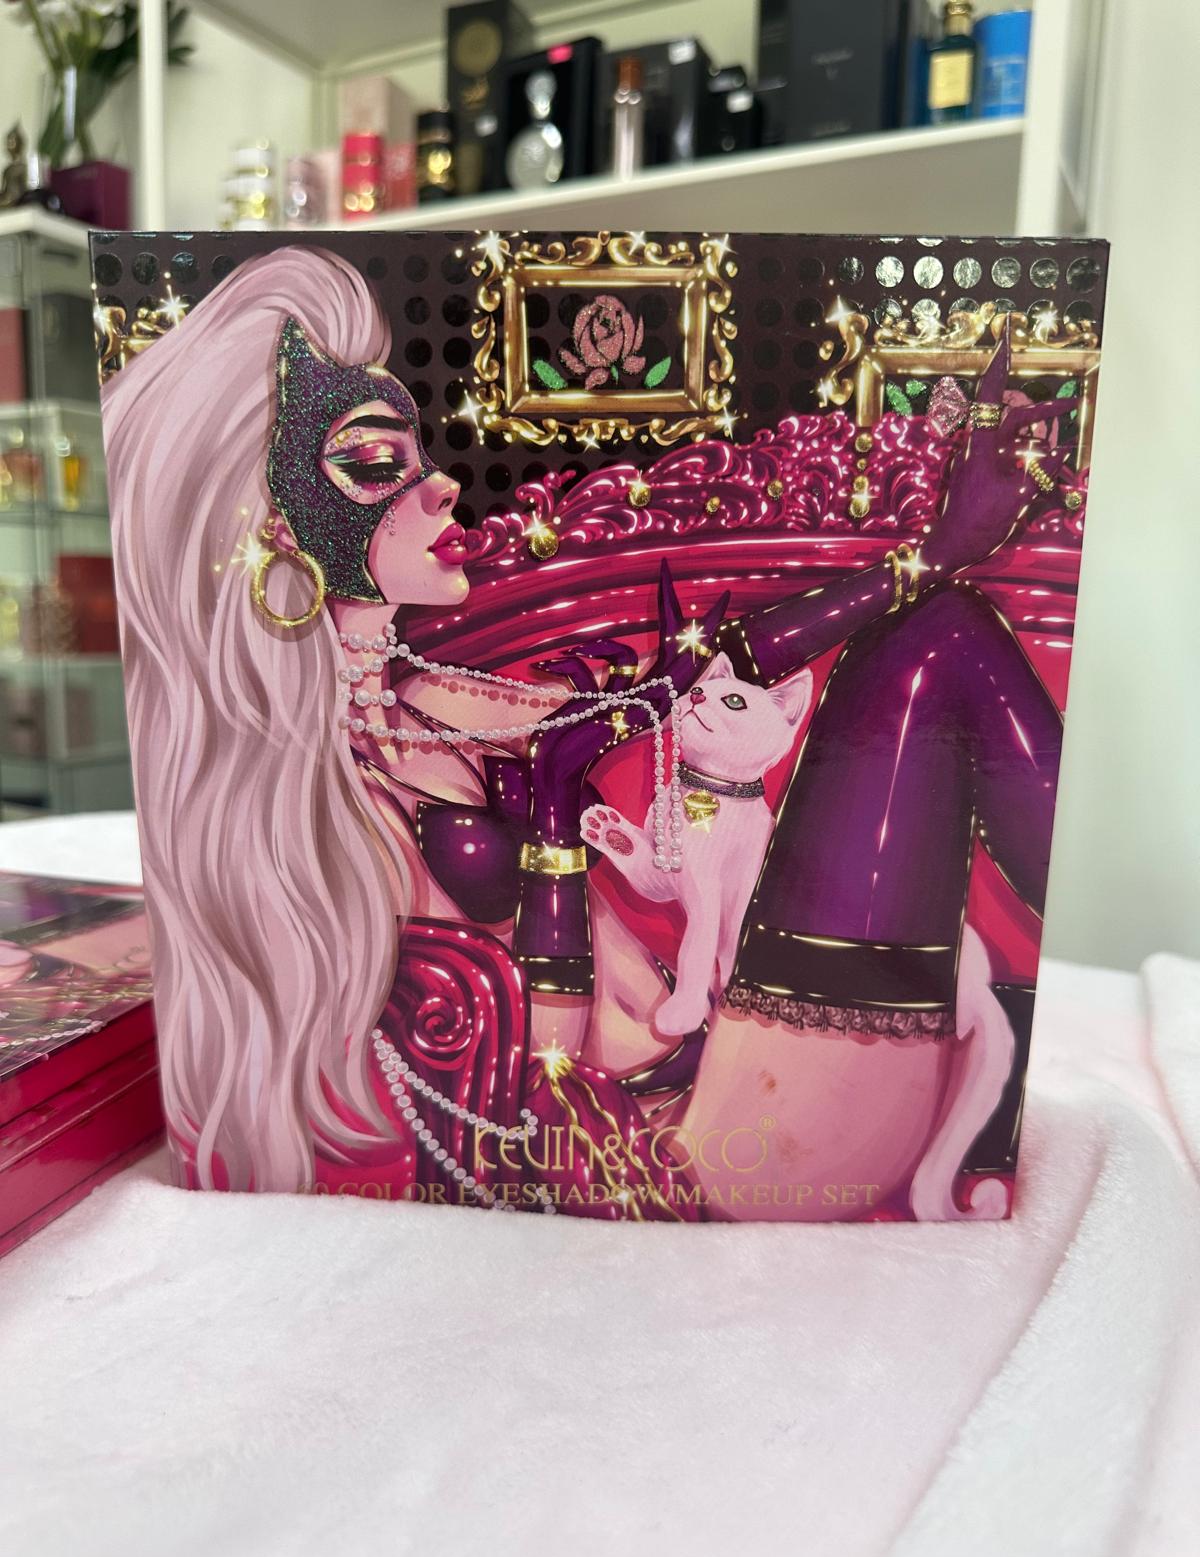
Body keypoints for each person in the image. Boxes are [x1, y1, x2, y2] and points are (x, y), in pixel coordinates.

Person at [103, 244, 1076, 1220]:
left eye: (421, 456)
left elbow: (693, 673)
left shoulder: (428, 698)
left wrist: (931, 555)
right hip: (677, 1156)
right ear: (272, 523)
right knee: (934, 650)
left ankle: (1012, 1037)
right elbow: (533, 1063)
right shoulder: (302, 814)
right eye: (373, 465)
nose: (440, 486)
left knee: (936, 622)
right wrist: (556, 834)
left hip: (721, 1072)